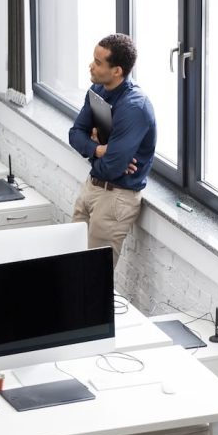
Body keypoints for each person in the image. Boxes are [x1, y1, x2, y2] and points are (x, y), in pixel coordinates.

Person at [68, 33, 157, 267]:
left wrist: (102, 153)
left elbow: (113, 167)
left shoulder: (134, 107)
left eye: (98, 63)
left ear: (117, 71)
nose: (91, 66)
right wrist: (99, 150)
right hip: (92, 188)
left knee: (94, 276)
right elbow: (75, 134)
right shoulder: (97, 89)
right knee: (71, 265)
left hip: (116, 197)